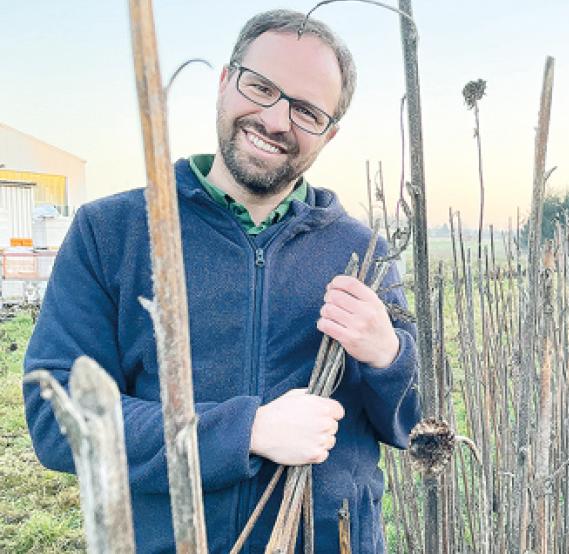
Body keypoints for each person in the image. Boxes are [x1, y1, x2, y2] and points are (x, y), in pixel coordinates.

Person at [23, 9, 420, 553]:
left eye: (306, 111)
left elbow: (412, 423)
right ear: (224, 82)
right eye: (261, 87)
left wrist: (388, 355)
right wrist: (247, 431)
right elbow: (57, 417)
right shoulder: (112, 232)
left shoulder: (363, 253)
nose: (277, 120)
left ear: (330, 133)